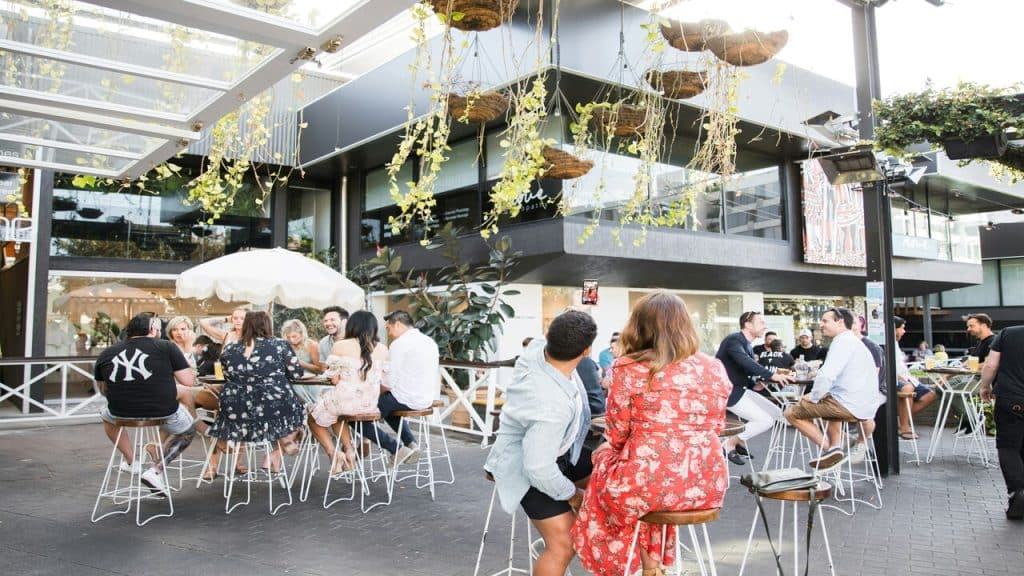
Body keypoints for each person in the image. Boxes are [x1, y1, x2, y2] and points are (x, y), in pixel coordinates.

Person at [572, 292, 729, 576]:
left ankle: (628, 565)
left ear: (639, 326)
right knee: (646, 476)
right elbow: (717, 424)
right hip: (707, 482)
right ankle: (653, 567)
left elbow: (618, 433)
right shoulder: (714, 367)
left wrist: (608, 451)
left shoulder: (629, 367)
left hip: (651, 484)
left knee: (609, 463)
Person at [484, 310, 597, 576]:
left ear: (548, 337)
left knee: (614, 480)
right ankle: (560, 552)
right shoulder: (550, 406)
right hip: (524, 466)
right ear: (587, 351)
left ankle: (599, 545)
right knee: (564, 544)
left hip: (561, 450)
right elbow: (538, 468)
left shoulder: (536, 350)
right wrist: (572, 495)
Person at [94, 313, 196, 494]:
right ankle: (156, 471)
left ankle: (132, 461)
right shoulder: (166, 347)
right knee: (188, 430)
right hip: (163, 412)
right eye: (157, 328)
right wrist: (187, 352)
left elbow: (103, 389)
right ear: (151, 330)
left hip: (120, 412)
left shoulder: (107, 353)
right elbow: (188, 381)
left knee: (106, 415)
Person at [207, 311, 305, 474]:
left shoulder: (230, 347)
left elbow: (226, 375)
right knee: (301, 409)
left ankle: (227, 439)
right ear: (267, 326)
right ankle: (285, 439)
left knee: (255, 410)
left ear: (246, 326)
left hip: (237, 409)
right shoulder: (280, 344)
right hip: (273, 406)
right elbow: (296, 373)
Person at [784, 308, 881, 469]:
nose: (821, 325)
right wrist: (820, 395)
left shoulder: (842, 341)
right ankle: (837, 446)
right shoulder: (853, 341)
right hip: (864, 405)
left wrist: (813, 396)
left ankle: (831, 452)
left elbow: (826, 376)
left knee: (790, 414)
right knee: (826, 402)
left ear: (840, 322)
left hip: (849, 405)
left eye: (825, 321)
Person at [309, 311, 389, 474]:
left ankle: (334, 453)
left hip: (345, 401)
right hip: (370, 405)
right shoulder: (383, 349)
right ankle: (350, 451)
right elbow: (385, 380)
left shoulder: (341, 345)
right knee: (337, 414)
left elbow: (332, 378)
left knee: (313, 417)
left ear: (352, 326)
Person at [361, 309, 440, 464]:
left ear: (397, 324)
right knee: (387, 407)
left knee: (358, 417)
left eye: (389, 328)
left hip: (405, 399)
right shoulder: (429, 342)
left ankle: (396, 449)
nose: (389, 333)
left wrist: (373, 388)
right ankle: (411, 443)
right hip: (426, 398)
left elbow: (389, 383)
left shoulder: (399, 344)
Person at [716, 311, 793, 464]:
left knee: (778, 413)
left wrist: (756, 384)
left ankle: (739, 441)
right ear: (748, 324)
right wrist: (772, 375)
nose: (765, 325)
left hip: (741, 389)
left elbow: (741, 370)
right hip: (729, 393)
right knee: (766, 421)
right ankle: (729, 444)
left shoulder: (748, 345)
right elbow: (745, 362)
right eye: (761, 322)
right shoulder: (734, 340)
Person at [979, 325, 1024, 520]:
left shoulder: (1008, 333)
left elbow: (990, 364)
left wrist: (985, 386)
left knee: (1008, 446)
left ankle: (1017, 492)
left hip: (1012, 398)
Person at [893, 316, 937, 440]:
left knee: (931, 394)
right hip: (893, 379)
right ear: (893, 329)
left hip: (908, 377)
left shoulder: (896, 343)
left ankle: (900, 421)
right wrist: (901, 378)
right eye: (902, 328)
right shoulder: (884, 343)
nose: (904, 331)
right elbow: (886, 366)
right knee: (908, 388)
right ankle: (905, 427)